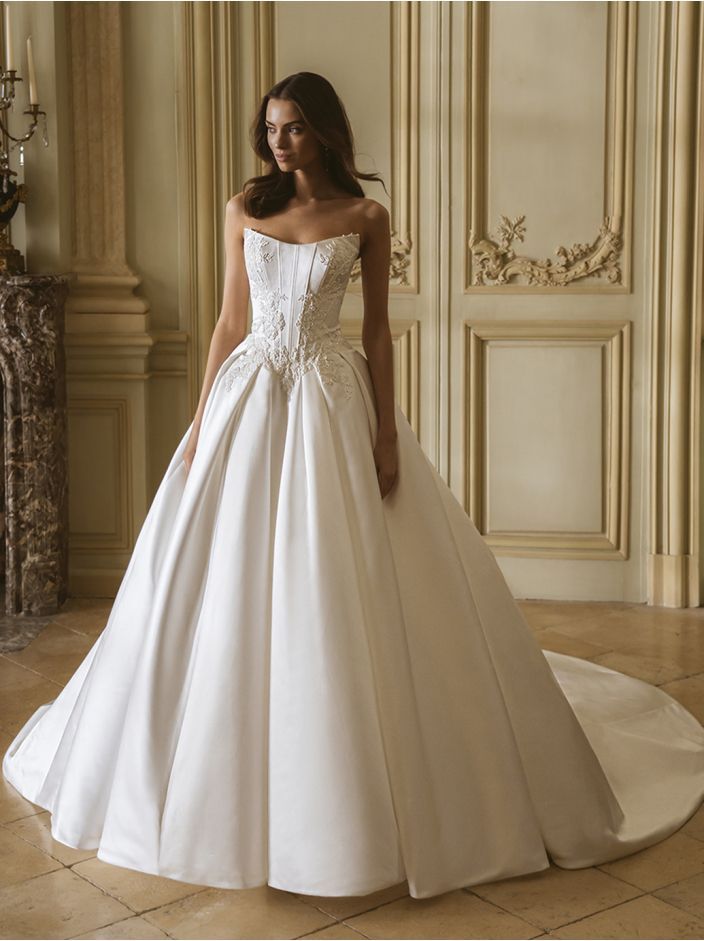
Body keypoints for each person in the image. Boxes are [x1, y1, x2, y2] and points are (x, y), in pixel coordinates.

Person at [3, 71, 704, 901]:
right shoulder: (245, 208)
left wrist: (383, 434)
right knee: (216, 583)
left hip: (331, 401)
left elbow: (376, 332)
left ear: (326, 132)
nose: (279, 142)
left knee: (337, 582)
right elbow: (232, 320)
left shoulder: (365, 217)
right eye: (271, 127)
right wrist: (198, 423)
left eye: (294, 128)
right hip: (250, 397)